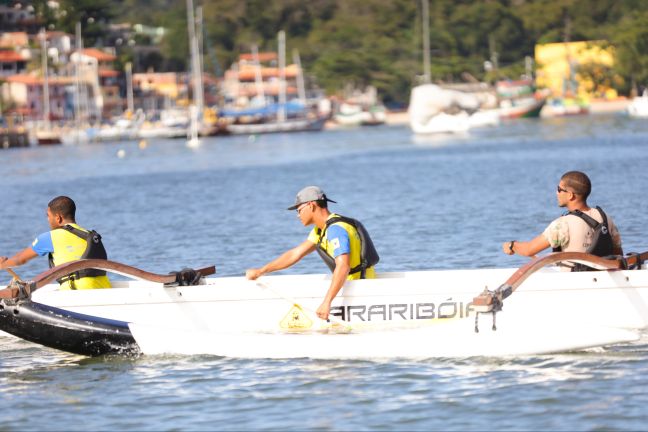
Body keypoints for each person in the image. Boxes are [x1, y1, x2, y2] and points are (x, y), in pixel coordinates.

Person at [246, 186, 379, 319]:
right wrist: (261, 271)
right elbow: (295, 254)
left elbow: (343, 266)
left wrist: (327, 302)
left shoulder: (335, 229)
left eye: (299, 210)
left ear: (311, 205)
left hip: (359, 288)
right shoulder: (320, 230)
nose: (298, 215)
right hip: (349, 285)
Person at [502, 171, 623, 268]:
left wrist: (512, 245)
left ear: (570, 195)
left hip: (573, 282)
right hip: (601, 277)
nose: (556, 192)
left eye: (559, 189)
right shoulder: (605, 217)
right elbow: (618, 253)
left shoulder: (562, 224)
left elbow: (529, 250)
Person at [0, 196, 111, 289]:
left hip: (78, 291)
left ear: (58, 218)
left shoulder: (50, 237)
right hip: (105, 287)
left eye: (48, 216)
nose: (48, 220)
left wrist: (3, 264)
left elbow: (20, 259)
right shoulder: (90, 234)